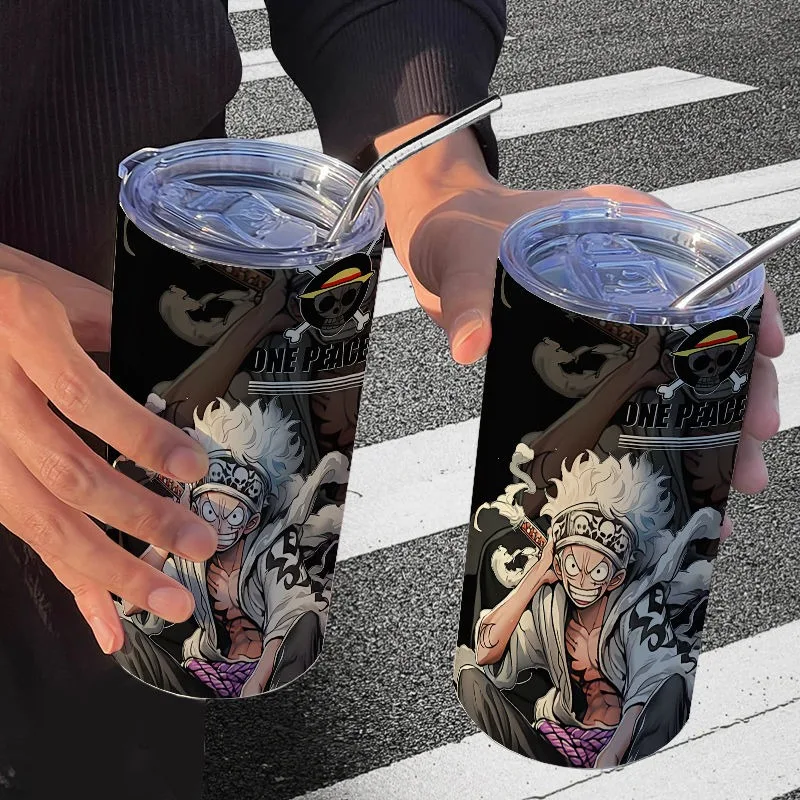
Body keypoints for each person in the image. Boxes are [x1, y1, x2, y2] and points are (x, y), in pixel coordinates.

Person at [0, 0, 783, 797]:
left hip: (103, 520)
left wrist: (435, 173)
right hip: (99, 385)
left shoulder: (262, 566)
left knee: (102, 749)